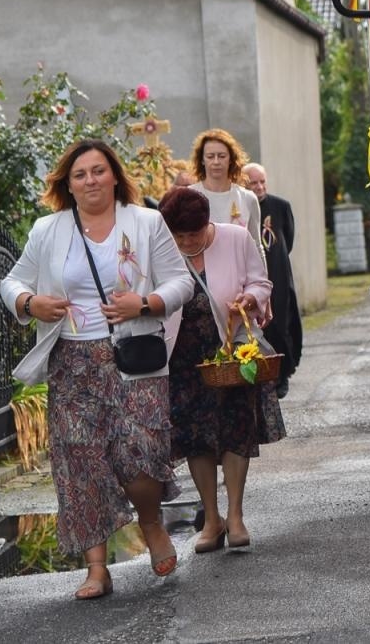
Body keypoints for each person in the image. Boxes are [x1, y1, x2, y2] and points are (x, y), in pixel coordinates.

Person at [0, 138, 192, 601]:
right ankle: (97, 568)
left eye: (99, 171)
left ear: (114, 175)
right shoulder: (48, 230)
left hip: (133, 358)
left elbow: (182, 281)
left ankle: (150, 521)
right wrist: (31, 302)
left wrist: (144, 302)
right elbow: (12, 282)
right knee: (80, 462)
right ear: (68, 183)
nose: (90, 180)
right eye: (81, 174)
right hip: (72, 362)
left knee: (140, 452)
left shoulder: (145, 222)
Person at [156, 188, 272, 552]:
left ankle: (235, 516)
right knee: (196, 438)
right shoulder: (161, 248)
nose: (187, 241)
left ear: (207, 223)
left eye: (194, 233)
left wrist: (250, 298)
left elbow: (261, 281)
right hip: (182, 357)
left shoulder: (236, 238)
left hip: (231, 350)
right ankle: (211, 519)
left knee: (237, 429)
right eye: (180, 235)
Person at [242, 162, 303, 397]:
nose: (259, 187)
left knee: (281, 323)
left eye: (262, 181)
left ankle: (283, 374)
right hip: (251, 276)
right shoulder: (242, 206)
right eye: (253, 183)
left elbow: (287, 239)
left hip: (277, 273)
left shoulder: (280, 206)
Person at [189, 128, 260, 231]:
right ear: (202, 160)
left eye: (222, 156)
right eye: (210, 156)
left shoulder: (247, 198)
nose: (216, 162)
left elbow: (255, 244)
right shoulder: (189, 196)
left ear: (231, 159)